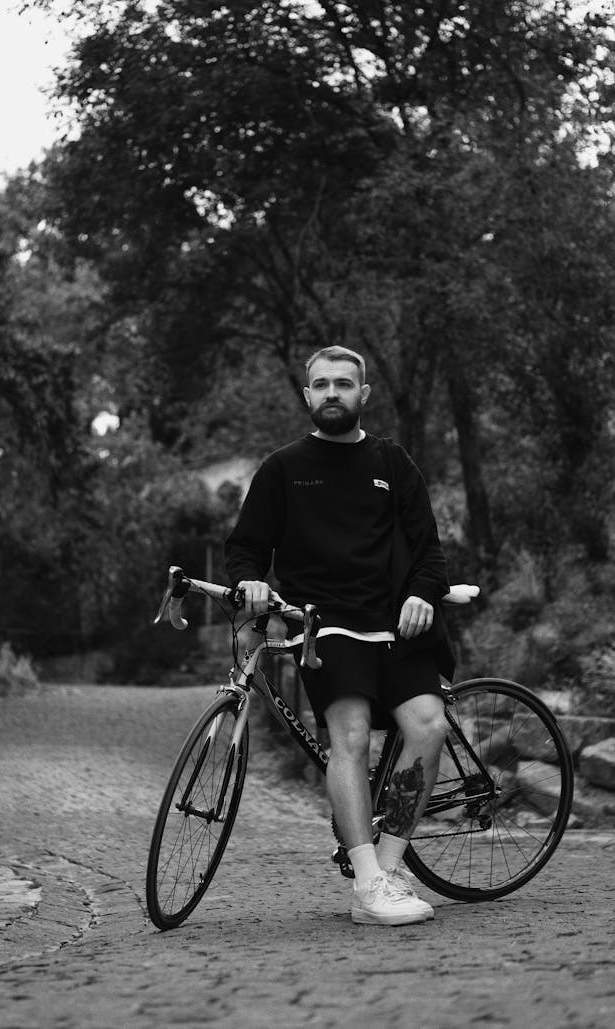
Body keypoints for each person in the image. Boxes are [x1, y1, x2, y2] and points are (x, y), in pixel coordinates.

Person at [224, 344, 455, 926]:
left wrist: (422, 595)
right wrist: (250, 580)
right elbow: (246, 546)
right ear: (307, 396)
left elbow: (429, 552)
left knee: (428, 726)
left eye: (344, 384)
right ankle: (368, 886)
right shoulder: (282, 468)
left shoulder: (393, 463)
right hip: (323, 623)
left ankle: (390, 863)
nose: (332, 393)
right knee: (348, 736)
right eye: (322, 384)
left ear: (363, 394)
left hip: (396, 622)